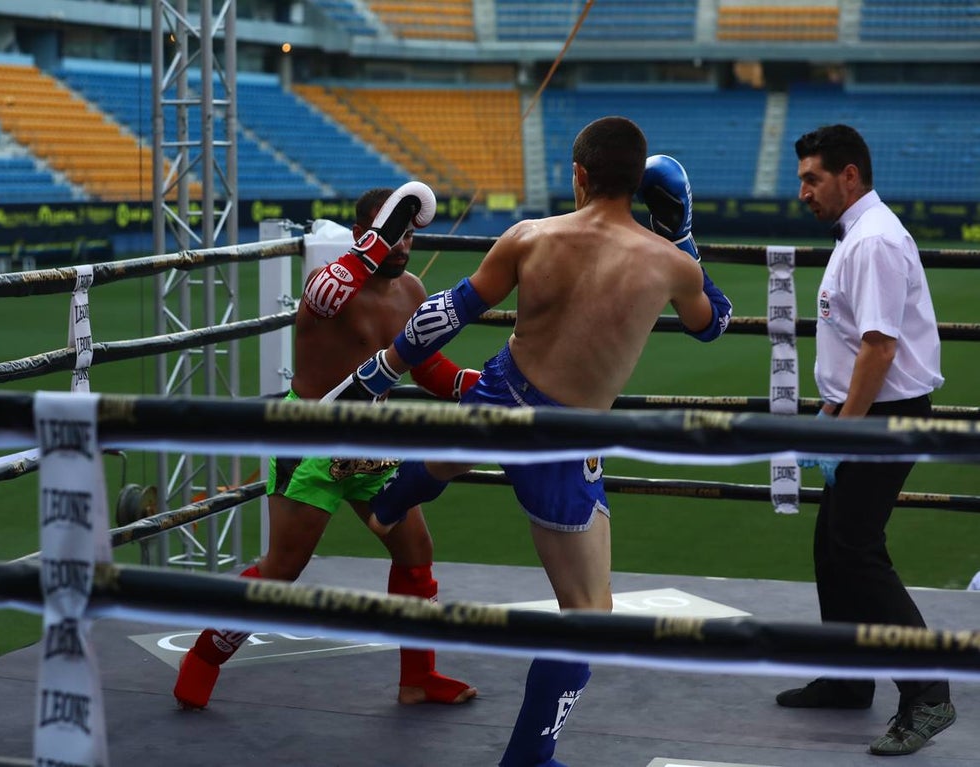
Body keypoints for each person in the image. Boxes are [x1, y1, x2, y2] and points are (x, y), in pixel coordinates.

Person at [329, 116, 733, 767]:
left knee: (452, 448)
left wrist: (375, 376)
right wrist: (684, 235)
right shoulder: (669, 263)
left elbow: (447, 312)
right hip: (561, 438)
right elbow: (713, 325)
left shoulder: (529, 236)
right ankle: (528, 756)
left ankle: (386, 501)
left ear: (577, 174)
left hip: (500, 388)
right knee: (588, 614)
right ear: (635, 185)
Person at [172, 183, 479, 710]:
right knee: (284, 569)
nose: (402, 245)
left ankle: (417, 677)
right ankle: (202, 658)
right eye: (392, 233)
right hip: (311, 438)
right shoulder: (330, 284)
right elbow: (324, 296)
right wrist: (373, 246)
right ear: (363, 233)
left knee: (416, 553)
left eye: (408, 235)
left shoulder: (408, 291)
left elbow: (420, 361)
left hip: (373, 442)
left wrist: (467, 387)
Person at [775, 123, 955, 756]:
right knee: (835, 546)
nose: (803, 192)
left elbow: (880, 348)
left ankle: (928, 694)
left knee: (855, 551)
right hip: (866, 411)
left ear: (849, 175)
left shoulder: (873, 242)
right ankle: (849, 678)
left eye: (812, 179)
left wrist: (844, 430)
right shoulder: (861, 235)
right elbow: (857, 343)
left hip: (886, 414)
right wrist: (832, 416)